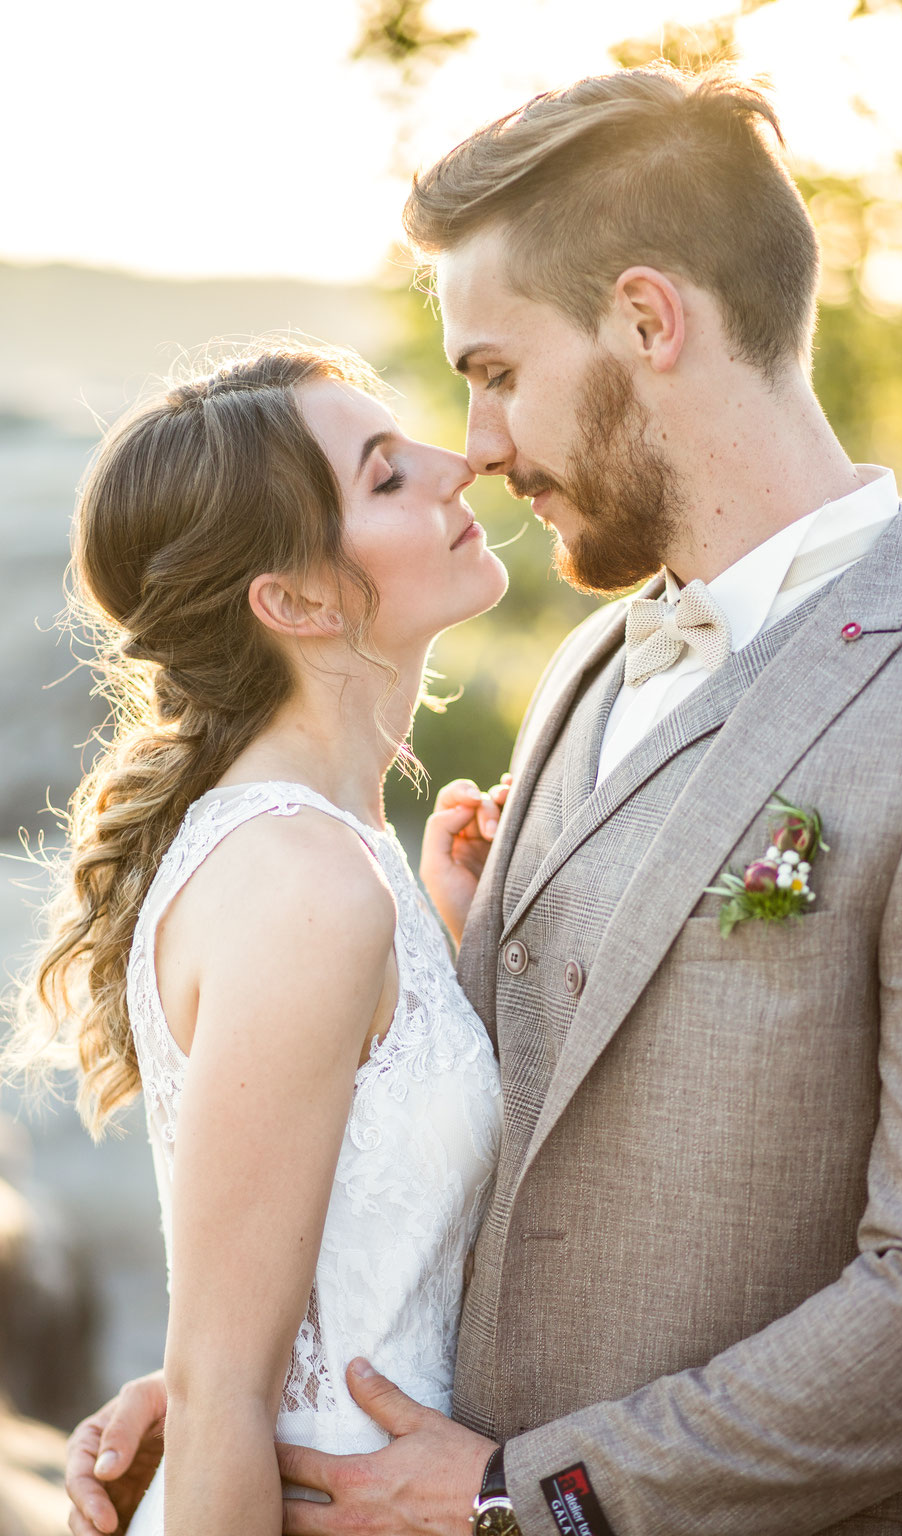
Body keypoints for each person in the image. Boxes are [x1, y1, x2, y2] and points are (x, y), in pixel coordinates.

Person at [67, 65, 902, 1536]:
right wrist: (240, 1394)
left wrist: (532, 1497)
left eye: (496, 373)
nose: (484, 447)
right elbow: (467, 1135)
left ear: (648, 322)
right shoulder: (591, 664)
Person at [12, 343, 515, 1535]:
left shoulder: (340, 854)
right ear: (292, 601)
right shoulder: (301, 883)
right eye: (388, 478)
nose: (460, 466)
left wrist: (452, 953)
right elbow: (226, 1396)